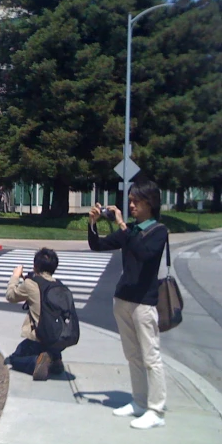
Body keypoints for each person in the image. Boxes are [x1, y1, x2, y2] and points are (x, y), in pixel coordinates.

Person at [88, 180, 168, 430]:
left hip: (144, 302)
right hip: (122, 299)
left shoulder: (158, 231)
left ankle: (156, 410)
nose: (131, 205)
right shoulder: (130, 230)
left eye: (136, 201)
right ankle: (139, 402)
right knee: (133, 355)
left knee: (150, 356)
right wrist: (92, 224)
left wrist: (122, 224)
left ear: (150, 203)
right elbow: (98, 245)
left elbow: (144, 254)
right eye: (130, 200)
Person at [4, 247, 65, 381]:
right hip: (57, 338)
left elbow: (10, 296)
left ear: (35, 266)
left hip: (39, 336)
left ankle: (36, 362)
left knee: (15, 358)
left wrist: (15, 277)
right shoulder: (59, 286)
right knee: (47, 348)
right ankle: (54, 358)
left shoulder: (30, 284)